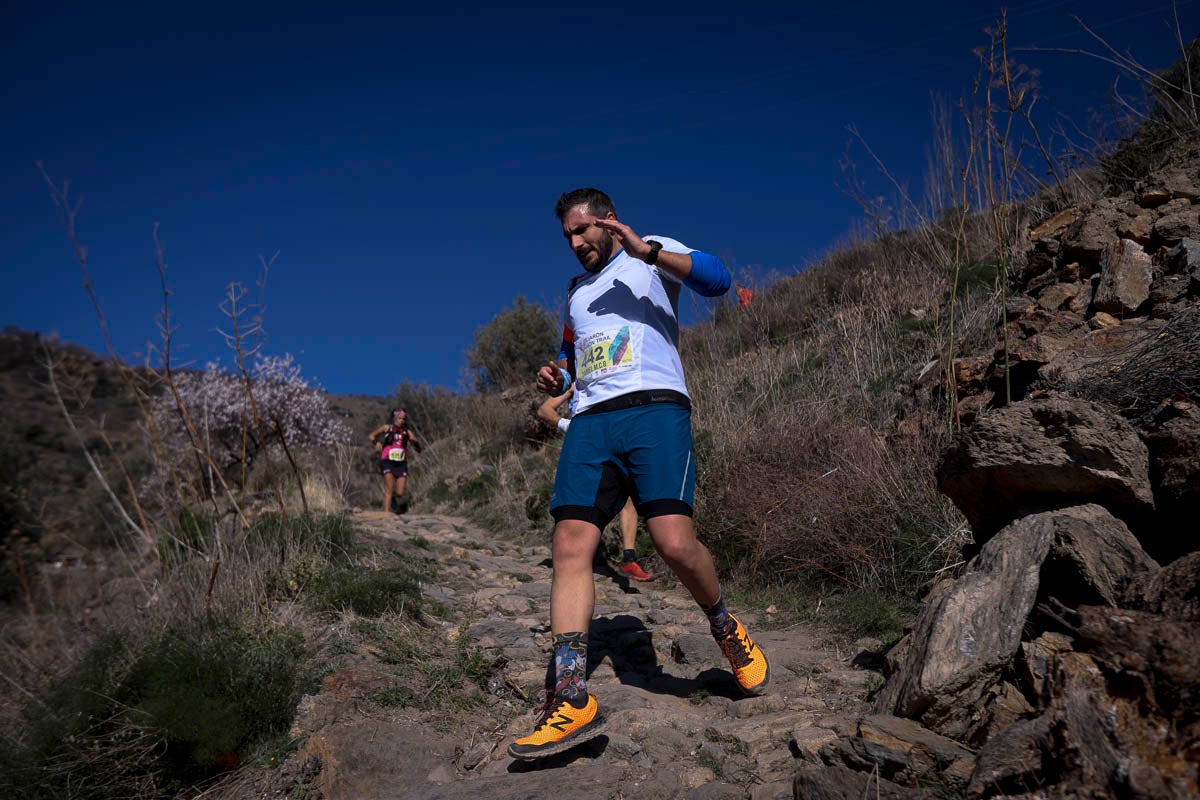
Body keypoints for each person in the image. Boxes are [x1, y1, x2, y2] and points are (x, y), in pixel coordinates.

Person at [508, 188, 769, 761]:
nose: (575, 245)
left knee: (674, 543)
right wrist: (559, 378)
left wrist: (647, 250)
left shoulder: (653, 254)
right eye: (567, 238)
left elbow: (719, 280)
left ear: (607, 222)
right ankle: (572, 695)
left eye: (583, 232)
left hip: (655, 408)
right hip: (593, 421)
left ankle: (724, 626)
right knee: (570, 543)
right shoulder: (576, 293)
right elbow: (574, 357)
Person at [536, 386, 655, 583]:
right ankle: (575, 555)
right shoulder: (575, 382)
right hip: (584, 443)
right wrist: (567, 424)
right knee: (582, 503)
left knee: (628, 497)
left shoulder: (608, 380)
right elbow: (544, 410)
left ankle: (629, 558)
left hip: (613, 435)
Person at [367, 408, 421, 513]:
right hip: (387, 460)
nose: (401, 421)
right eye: (399, 418)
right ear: (394, 418)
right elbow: (371, 435)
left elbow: (418, 450)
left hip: (401, 463)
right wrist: (376, 442)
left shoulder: (407, 432)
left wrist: (415, 443)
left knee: (400, 492)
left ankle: (393, 498)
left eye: (403, 419)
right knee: (389, 487)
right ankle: (386, 513)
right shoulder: (387, 428)